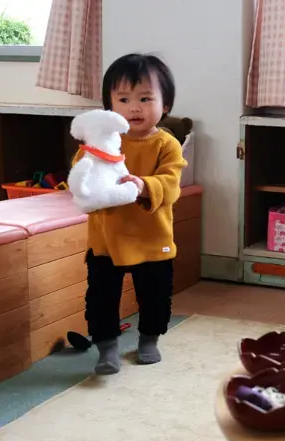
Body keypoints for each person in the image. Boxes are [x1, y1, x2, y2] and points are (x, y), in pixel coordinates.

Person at [72, 54, 187, 375]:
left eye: (145, 98)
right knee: (100, 298)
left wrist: (144, 185)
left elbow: (171, 183)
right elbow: (81, 172)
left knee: (155, 295)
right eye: (123, 99)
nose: (134, 107)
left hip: (152, 239)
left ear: (165, 105)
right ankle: (106, 348)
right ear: (109, 105)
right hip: (107, 239)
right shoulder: (100, 142)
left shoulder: (167, 144)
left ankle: (149, 339)